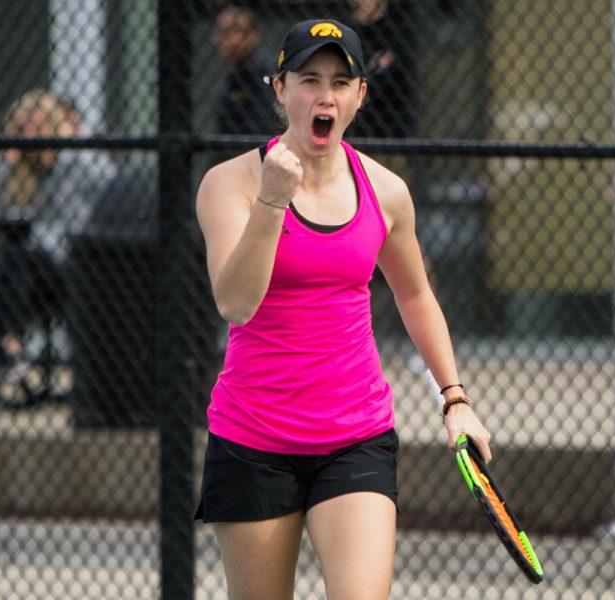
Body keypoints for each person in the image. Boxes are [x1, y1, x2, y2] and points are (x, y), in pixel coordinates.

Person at [194, 18, 491, 599]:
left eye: (339, 81)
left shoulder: (386, 191)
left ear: (360, 96)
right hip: (253, 441)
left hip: (356, 439)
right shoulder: (228, 185)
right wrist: (272, 201)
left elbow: (414, 294)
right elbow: (235, 302)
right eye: (308, 79)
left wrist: (456, 400)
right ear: (279, 90)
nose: (323, 95)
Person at [0, 89, 116, 405]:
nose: (30, 135)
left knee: (17, 255)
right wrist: (5, 163)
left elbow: (114, 187)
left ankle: (7, 352)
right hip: (32, 276)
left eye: (37, 126)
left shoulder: (75, 161)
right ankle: (12, 351)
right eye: (22, 128)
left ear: (54, 126)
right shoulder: (20, 171)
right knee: (15, 254)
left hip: (75, 267)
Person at [346, 0, 418, 138]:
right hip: (358, 123)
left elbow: (388, 72)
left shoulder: (397, 28)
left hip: (392, 119)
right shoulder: (349, 31)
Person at [213, 5, 279, 137]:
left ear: (254, 35)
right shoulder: (231, 79)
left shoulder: (263, 77)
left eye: (236, 31)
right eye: (223, 32)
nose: (230, 39)